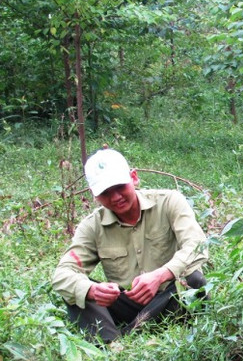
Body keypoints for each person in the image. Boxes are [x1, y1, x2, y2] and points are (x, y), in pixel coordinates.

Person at [52, 147, 208, 344]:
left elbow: (198, 245)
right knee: (76, 291)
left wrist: (160, 275)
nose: (116, 197)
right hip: (128, 304)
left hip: (171, 298)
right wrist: (92, 290)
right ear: (95, 196)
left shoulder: (169, 202)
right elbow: (62, 274)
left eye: (119, 186)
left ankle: (128, 335)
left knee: (194, 279)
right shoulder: (92, 226)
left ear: (133, 177)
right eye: (106, 192)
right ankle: (112, 344)